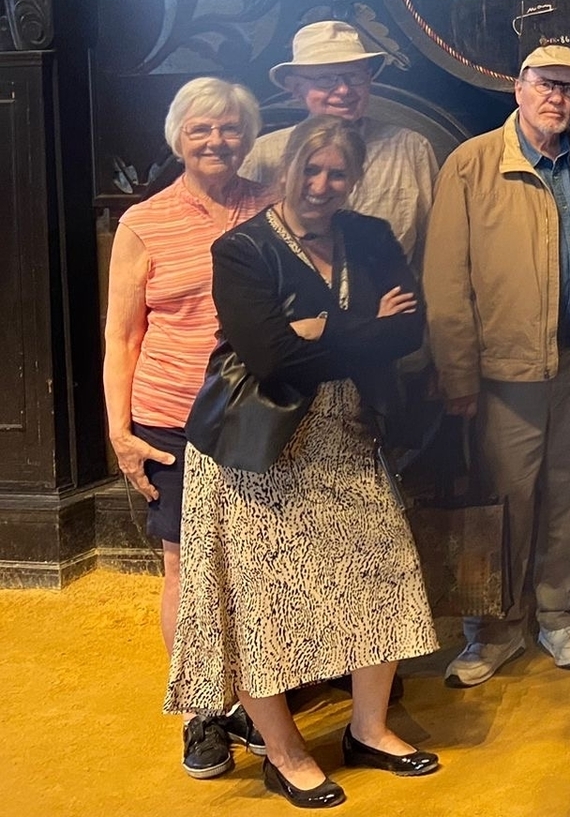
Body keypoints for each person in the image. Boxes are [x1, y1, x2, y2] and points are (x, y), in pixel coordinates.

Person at [165, 116, 440, 807]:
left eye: (337, 172)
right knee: (263, 603)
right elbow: (271, 357)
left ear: (354, 178)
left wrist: (325, 329)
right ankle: (284, 754)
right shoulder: (242, 249)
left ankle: (369, 730)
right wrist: (365, 326)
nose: (322, 184)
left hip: (348, 437)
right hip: (258, 454)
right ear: (286, 169)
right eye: (310, 170)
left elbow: (410, 331)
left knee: (382, 578)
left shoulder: (370, 235)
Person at [103, 77, 273, 779]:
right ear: (177, 137)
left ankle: (259, 702)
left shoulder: (272, 204)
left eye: (230, 128)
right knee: (183, 569)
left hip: (259, 415)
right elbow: (121, 336)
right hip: (172, 420)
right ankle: (201, 710)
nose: (216, 141)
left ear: (248, 136)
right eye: (201, 129)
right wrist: (120, 433)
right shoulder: (143, 222)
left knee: (261, 565)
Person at [423, 45, 570, 687]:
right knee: (498, 503)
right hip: (503, 372)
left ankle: (562, 617)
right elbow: (446, 280)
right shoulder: (472, 163)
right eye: (545, 84)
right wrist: (458, 375)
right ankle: (492, 632)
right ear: (518, 89)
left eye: (569, 88)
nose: (557, 97)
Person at [241, 21, 439, 265]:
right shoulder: (262, 155)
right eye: (326, 79)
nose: (344, 90)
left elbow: (432, 247)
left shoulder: (411, 149)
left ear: (369, 80)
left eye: (354, 76)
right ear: (296, 88)